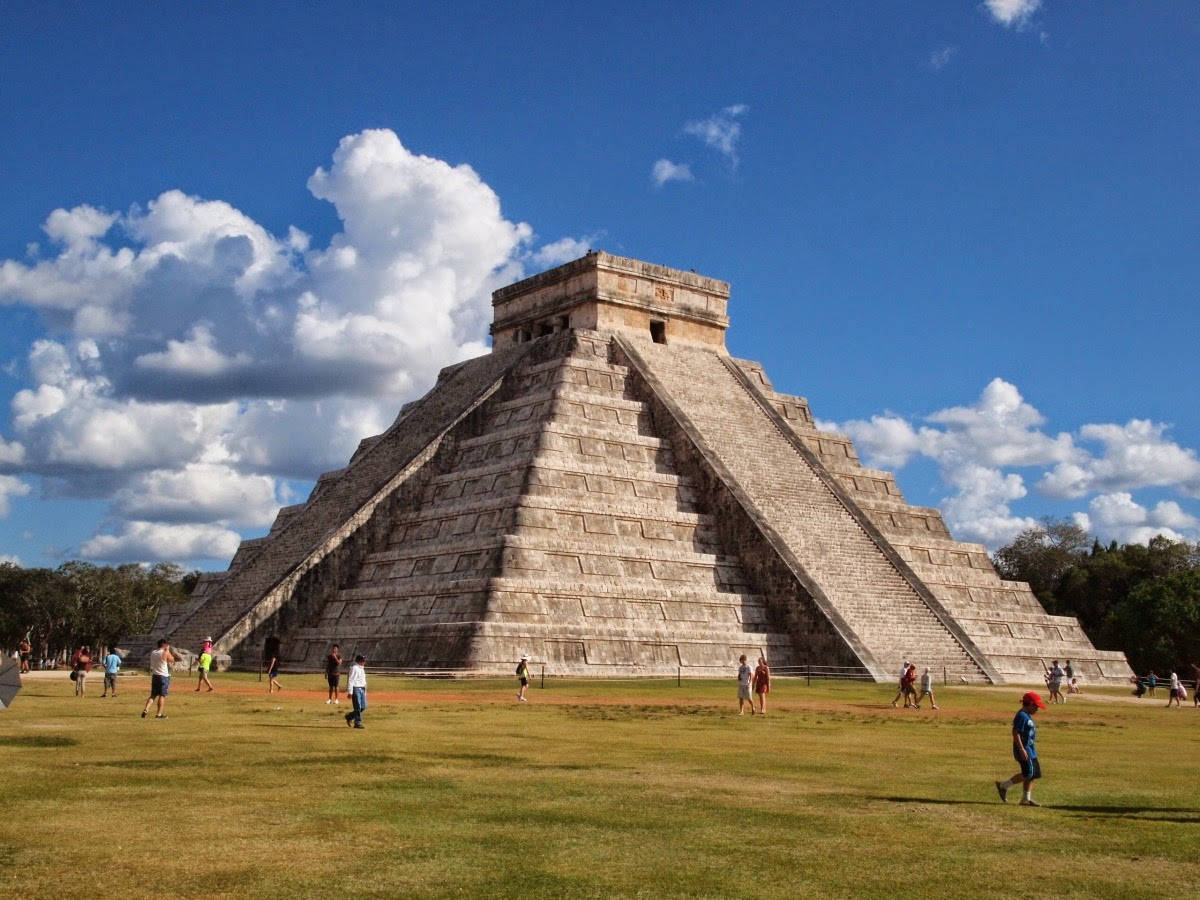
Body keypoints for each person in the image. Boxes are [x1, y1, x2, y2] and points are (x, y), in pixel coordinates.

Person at [995, 691, 1047, 807]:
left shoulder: (1027, 715)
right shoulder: (1022, 716)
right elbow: (1015, 732)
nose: (1037, 709)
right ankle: (1004, 786)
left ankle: (1026, 799)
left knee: (1033, 774)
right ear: (1030, 704)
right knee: (1028, 773)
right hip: (1024, 750)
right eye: (1036, 707)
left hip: (1031, 749)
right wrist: (1022, 749)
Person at [142, 639, 175, 719]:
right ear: (164, 645)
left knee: (153, 695)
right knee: (162, 695)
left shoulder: (153, 652)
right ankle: (159, 714)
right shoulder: (164, 652)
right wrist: (167, 650)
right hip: (163, 676)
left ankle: (146, 709)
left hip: (155, 675)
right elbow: (172, 660)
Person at [344, 655, 367, 729]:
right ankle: (357, 723)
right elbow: (351, 680)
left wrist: (365, 691)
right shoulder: (354, 668)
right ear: (359, 661)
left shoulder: (362, 669)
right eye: (363, 660)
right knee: (357, 707)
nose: (364, 662)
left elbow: (363, 680)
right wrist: (350, 692)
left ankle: (349, 716)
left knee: (363, 706)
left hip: (362, 689)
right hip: (356, 689)